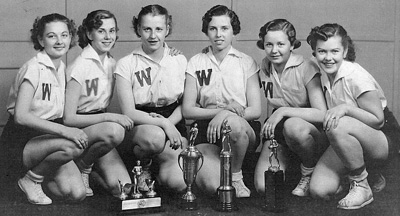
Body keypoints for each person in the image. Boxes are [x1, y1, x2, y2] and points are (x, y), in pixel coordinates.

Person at [306, 23, 396, 209]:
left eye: (334, 51)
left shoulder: (354, 76)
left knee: (337, 124)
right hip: (349, 136)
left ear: (345, 51)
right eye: (322, 51)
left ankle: (361, 184)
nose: (328, 57)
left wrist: (346, 108)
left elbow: (378, 120)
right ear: (314, 52)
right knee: (319, 190)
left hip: (382, 138)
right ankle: (369, 173)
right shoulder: (322, 71)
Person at [0, 13, 86, 205]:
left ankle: (41, 177)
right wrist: (65, 130)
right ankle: (30, 179)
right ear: (40, 39)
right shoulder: (34, 67)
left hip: (47, 137)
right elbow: (21, 117)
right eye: (51, 36)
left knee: (76, 193)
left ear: (71, 37)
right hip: (22, 139)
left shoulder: (61, 67)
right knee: (71, 145)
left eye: (64, 35)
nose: (59, 41)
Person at [182, 5, 261, 197]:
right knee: (213, 187)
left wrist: (226, 114)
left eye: (224, 28)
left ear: (234, 31)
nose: (219, 34)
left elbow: (256, 110)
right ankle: (224, 176)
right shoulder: (196, 62)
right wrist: (221, 111)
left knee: (232, 123)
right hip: (206, 130)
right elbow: (188, 111)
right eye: (213, 29)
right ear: (206, 31)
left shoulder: (246, 62)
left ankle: (236, 176)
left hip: (241, 129)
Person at [114, 4, 188, 192]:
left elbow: (186, 103)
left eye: (158, 29)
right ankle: (142, 166)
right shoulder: (126, 64)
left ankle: (159, 169)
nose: (153, 35)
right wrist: (164, 125)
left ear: (167, 30)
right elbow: (129, 112)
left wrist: (170, 124)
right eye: (147, 29)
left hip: (174, 119)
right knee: (155, 138)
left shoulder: (179, 59)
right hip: (141, 124)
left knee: (178, 184)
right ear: (138, 29)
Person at [63, 10, 134, 198]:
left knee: (124, 189)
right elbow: (68, 118)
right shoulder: (79, 66)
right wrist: (111, 117)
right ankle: (83, 166)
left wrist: (169, 53)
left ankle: (91, 172)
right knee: (115, 130)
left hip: (99, 131)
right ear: (89, 34)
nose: (108, 36)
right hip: (77, 130)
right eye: (101, 31)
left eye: (112, 31)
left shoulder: (112, 63)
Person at [253, 19, 328, 197]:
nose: (274, 50)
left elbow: (321, 113)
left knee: (292, 126)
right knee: (264, 187)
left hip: (308, 130)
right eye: (268, 44)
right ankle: (293, 164)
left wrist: (282, 111)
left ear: (292, 45)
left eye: (281, 44)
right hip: (278, 131)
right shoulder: (265, 66)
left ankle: (309, 171)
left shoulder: (306, 67)